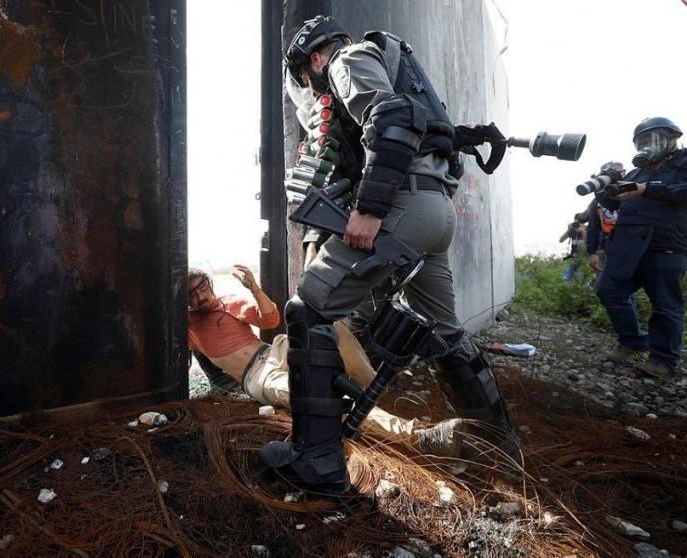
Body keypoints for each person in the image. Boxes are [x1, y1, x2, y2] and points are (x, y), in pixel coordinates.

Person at [262, 16, 519, 494]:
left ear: (314, 57)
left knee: (308, 309)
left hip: (401, 206)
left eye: (303, 76)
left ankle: (316, 461)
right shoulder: (391, 66)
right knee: (445, 333)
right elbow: (414, 126)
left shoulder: (345, 61)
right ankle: (500, 448)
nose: (309, 86)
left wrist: (369, 210)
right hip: (434, 212)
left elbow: (392, 119)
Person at [187, 267, 466, 456]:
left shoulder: (229, 303)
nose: (200, 297)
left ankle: (377, 391)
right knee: (316, 396)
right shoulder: (189, 326)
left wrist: (254, 289)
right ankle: (419, 438)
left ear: (210, 285)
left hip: (275, 350)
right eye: (192, 295)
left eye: (202, 288)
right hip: (258, 377)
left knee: (331, 329)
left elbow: (270, 320)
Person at [595, 117, 687, 378]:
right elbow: (616, 205)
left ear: (672, 139)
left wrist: (645, 189)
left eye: (654, 139)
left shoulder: (683, 163)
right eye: (643, 141)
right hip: (628, 244)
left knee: (665, 304)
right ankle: (632, 341)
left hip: (665, 243)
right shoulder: (636, 173)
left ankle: (663, 360)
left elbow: (680, 191)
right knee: (609, 290)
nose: (649, 145)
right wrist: (604, 190)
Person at [585, 162, 623, 276]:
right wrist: (592, 252)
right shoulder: (597, 202)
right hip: (610, 246)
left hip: (635, 245)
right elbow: (593, 227)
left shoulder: (634, 192)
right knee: (608, 283)